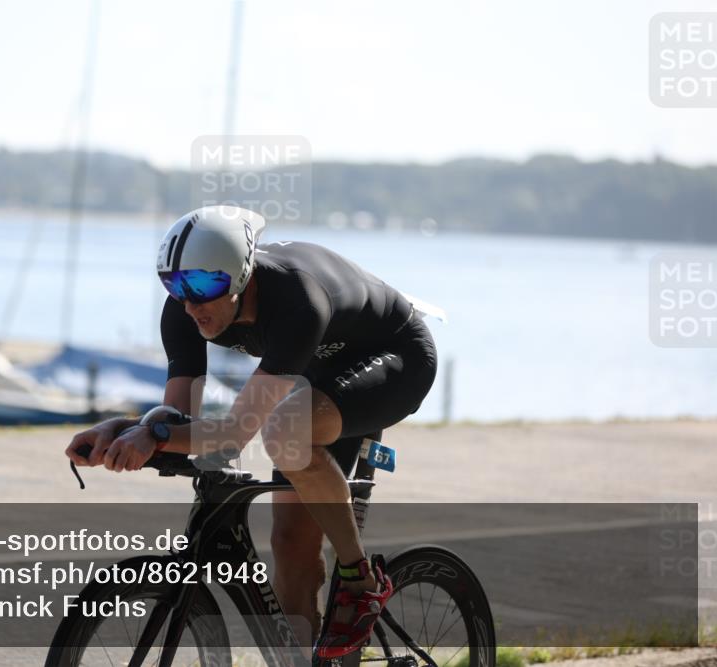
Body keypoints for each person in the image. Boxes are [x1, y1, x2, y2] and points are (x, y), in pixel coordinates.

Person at [66, 205, 438, 657]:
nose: (190, 302)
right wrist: (123, 428)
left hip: (396, 357)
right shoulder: (184, 312)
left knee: (284, 434)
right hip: (315, 370)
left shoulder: (297, 299)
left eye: (203, 285)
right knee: (291, 546)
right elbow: (175, 420)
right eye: (174, 284)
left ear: (241, 276)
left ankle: (361, 581)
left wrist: (153, 433)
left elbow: (234, 433)